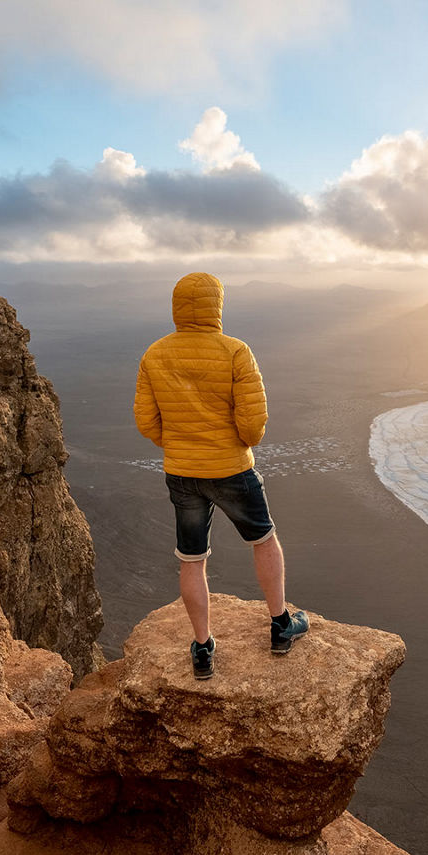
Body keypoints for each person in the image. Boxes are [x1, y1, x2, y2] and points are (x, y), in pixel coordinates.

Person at [134, 271, 308, 679]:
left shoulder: (154, 354)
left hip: (182, 471)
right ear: (217, 305)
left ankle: (202, 648)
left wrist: (178, 444)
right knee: (264, 540)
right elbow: (252, 426)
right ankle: (281, 625)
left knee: (191, 559)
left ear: (176, 306)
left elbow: (146, 421)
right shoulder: (235, 352)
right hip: (231, 468)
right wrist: (231, 444)